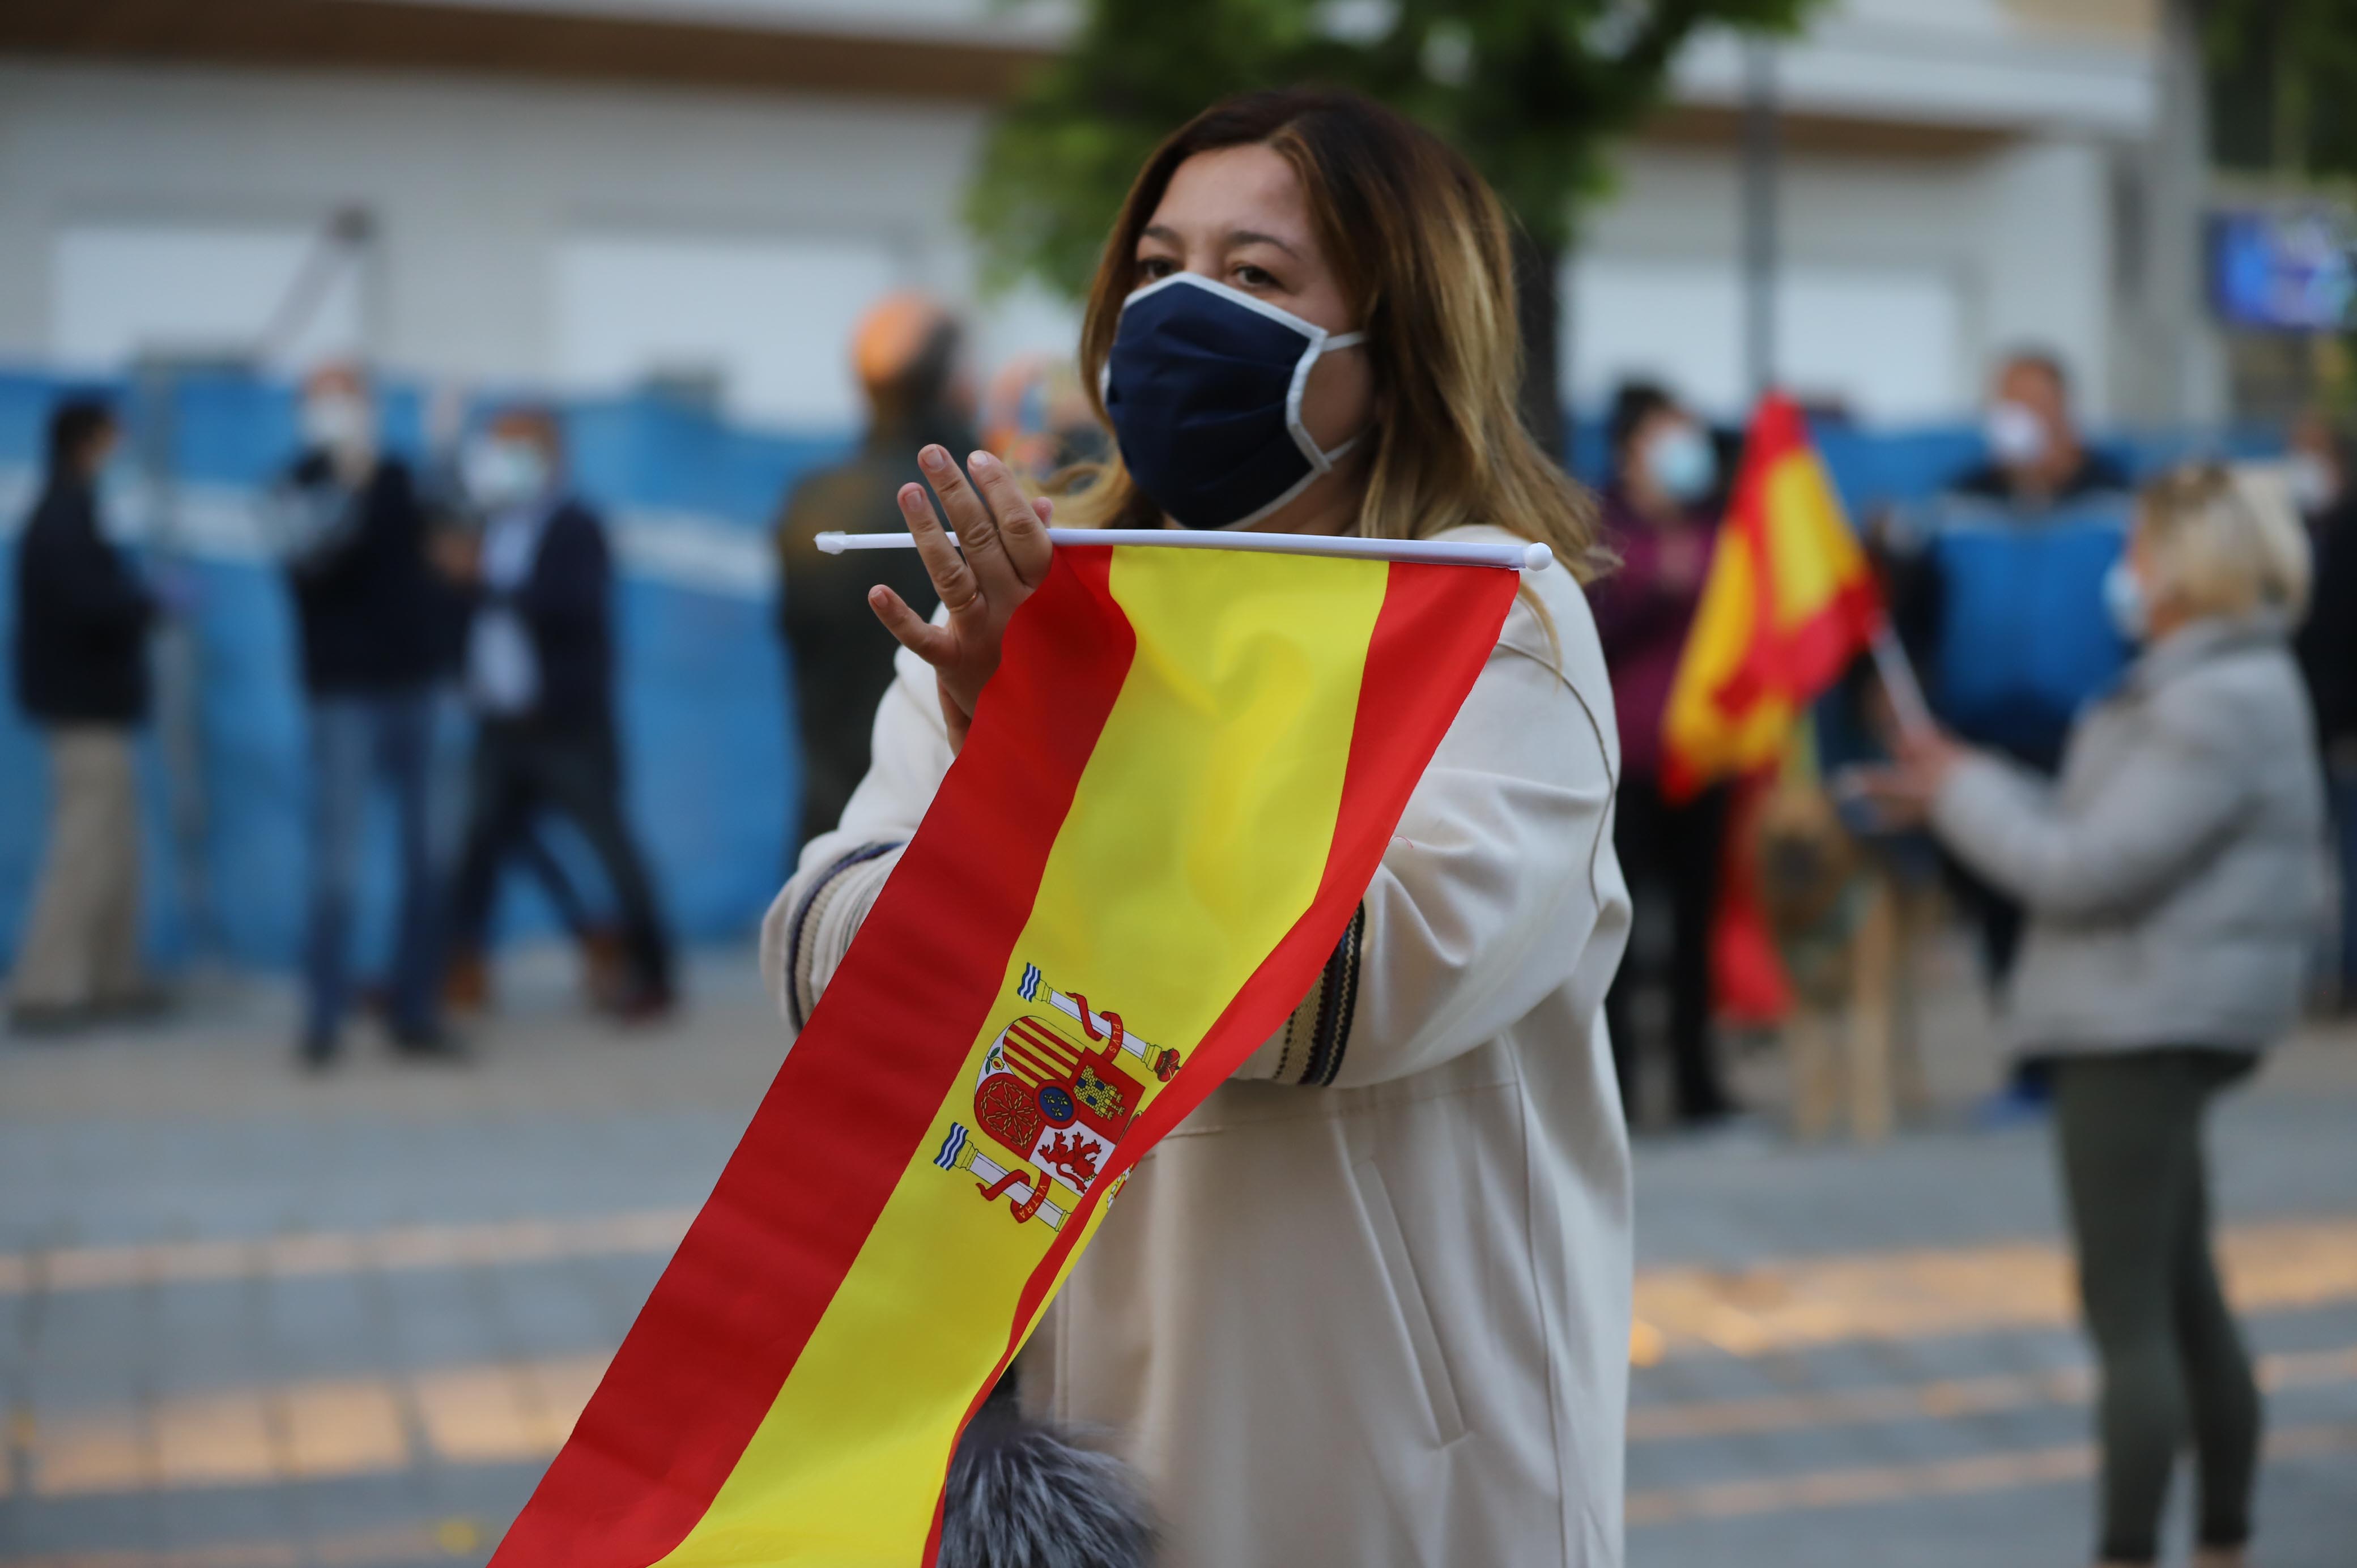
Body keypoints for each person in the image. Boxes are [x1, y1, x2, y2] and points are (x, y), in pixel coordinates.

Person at [764, 88, 1632, 1568]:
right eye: (1158, 268)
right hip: (1066, 1432)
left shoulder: (1497, 631)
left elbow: (1337, 995)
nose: (1179, 315)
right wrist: (1008, 717)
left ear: (1400, 334)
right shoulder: (1033, 605)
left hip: (1382, 1452)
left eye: (1255, 278)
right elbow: (831, 966)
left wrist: (1040, 760)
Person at [1861, 462, 2320, 1568]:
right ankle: (2221, 1536)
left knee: (2128, 1310)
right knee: (2182, 1288)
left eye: (2139, 547)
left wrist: (1958, 798)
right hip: (2159, 1009)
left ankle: (2133, 1543)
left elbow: (2080, 866)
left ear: (2184, 564)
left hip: (2137, 1019)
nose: (2124, 568)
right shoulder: (2215, 683)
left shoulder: (2209, 700)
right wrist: (1965, 775)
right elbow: (2096, 820)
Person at [1895, 351, 2135, 999]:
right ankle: (2024, 1052)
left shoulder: (2117, 496)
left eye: (2031, 401)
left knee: (2076, 890)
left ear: (2064, 410)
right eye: (2005, 403)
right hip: (1981, 730)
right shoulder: (1956, 500)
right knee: (1997, 895)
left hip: (2088, 733)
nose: (2016, 417)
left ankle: (2077, 1041)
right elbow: (1911, 614)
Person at [443, 407, 676, 1021]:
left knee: (609, 846)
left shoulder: (577, 526)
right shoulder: (485, 527)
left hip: (567, 727)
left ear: (554, 457)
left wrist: (484, 580)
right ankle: (459, 965)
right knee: (478, 848)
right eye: (499, 448)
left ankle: (651, 971)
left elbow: (571, 605)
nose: (507, 464)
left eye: (521, 449)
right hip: (499, 725)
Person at [276, 365, 450, 1064]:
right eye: (325, 400)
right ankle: (322, 1018)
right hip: (342, 693)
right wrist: (346, 485)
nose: (339, 411)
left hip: (414, 685)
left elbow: (456, 532)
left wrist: (442, 447)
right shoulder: (295, 483)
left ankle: (415, 1011)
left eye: (349, 398)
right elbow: (310, 560)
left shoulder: (404, 475)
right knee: (338, 865)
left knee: (429, 857)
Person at [773, 294, 971, 851]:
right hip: (942, 813)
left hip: (833, 811)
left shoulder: (809, 500)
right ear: (953, 381)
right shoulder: (976, 504)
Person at [1590, 380, 1736, 1127]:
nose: (1686, 451)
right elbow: (1587, 629)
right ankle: (1614, 1092)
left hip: (1705, 762)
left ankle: (1698, 1090)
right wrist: (1656, 587)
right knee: (1616, 931)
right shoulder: (1599, 529)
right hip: (1624, 768)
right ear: (1630, 450)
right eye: (1666, 435)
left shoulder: (1723, 530)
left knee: (1695, 934)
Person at [7, 398, 161, 1034]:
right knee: (82, 848)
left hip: (97, 708)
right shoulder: (63, 515)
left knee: (116, 851)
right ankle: (42, 988)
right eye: (111, 439)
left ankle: (110, 978)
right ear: (86, 442)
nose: (119, 451)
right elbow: (88, 607)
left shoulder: (73, 509)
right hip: (81, 711)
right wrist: (143, 601)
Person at [2288, 412, 2357, 1005]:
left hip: (2343, 726)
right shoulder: (2288, 532)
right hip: (2296, 722)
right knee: (2300, 860)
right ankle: (2310, 974)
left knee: (2350, 857)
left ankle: (2348, 976)